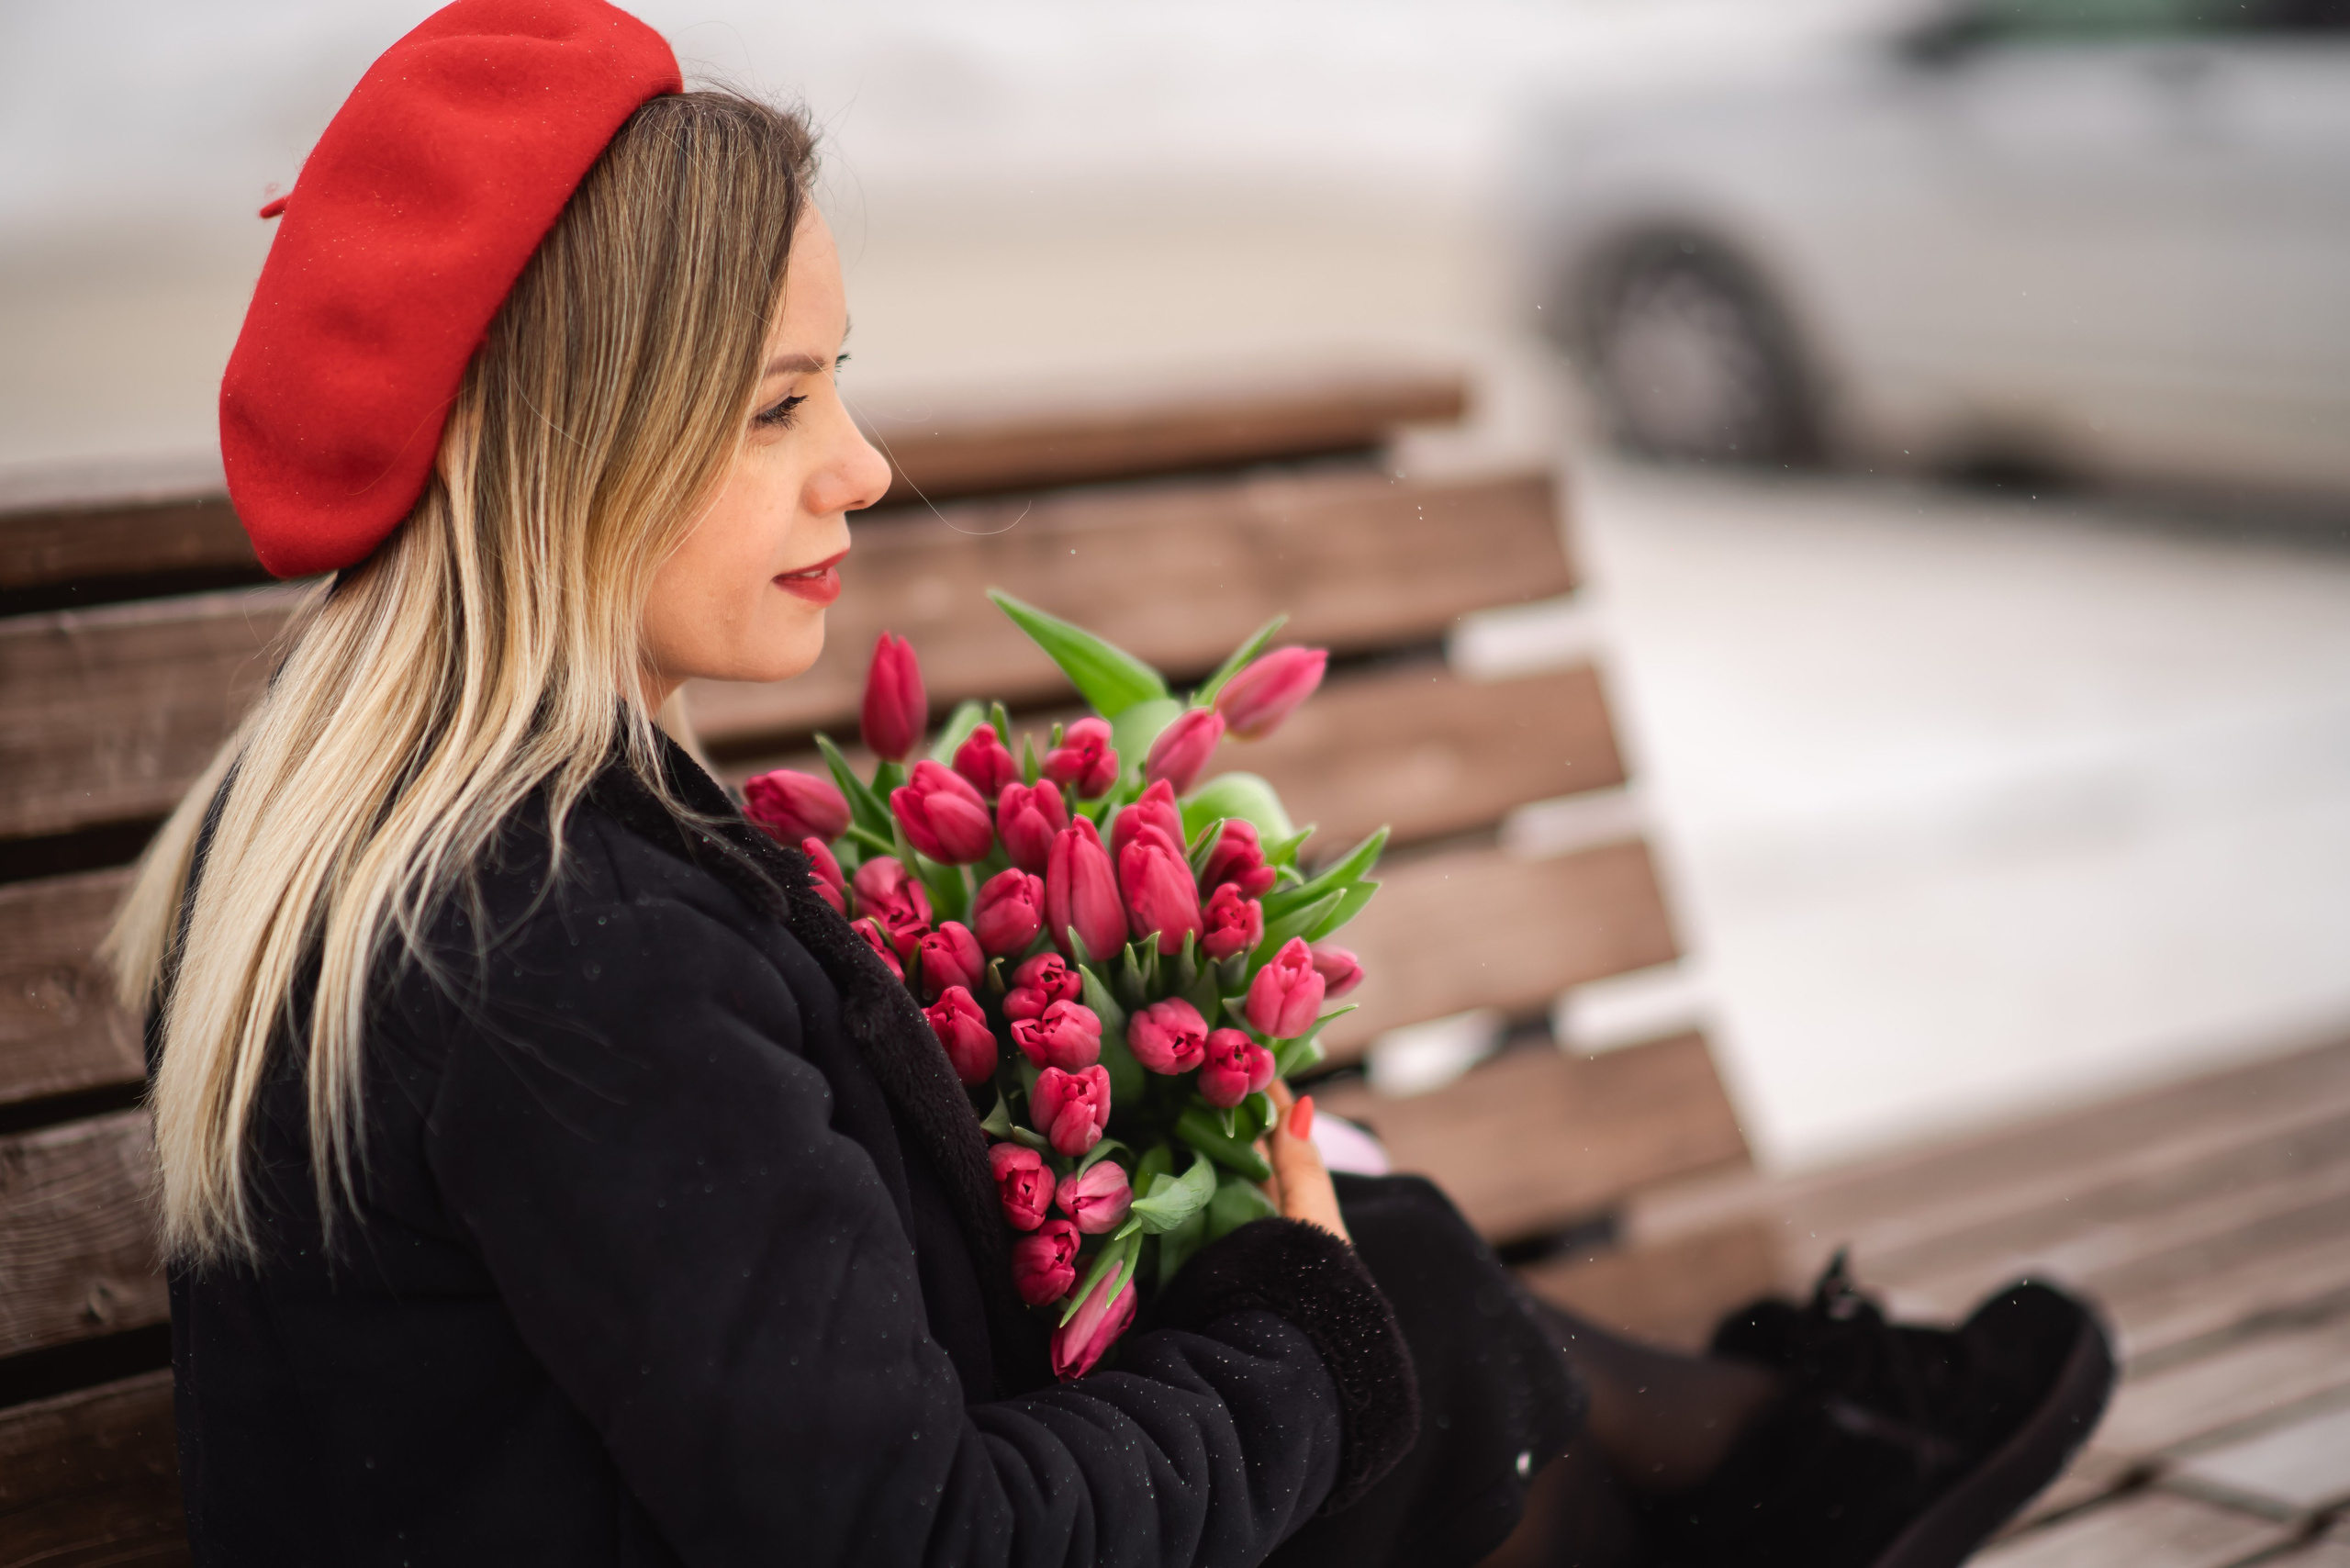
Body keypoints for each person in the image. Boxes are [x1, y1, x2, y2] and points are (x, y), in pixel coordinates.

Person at [109, 3, 2114, 1564]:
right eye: (779, 408)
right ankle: (1784, 1475)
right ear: (575, 454)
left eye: (841, 382)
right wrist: (1306, 1334)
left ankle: (1776, 1469)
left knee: (1372, 1244)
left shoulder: (364, 848)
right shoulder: (565, 953)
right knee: (1372, 1305)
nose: (861, 467)